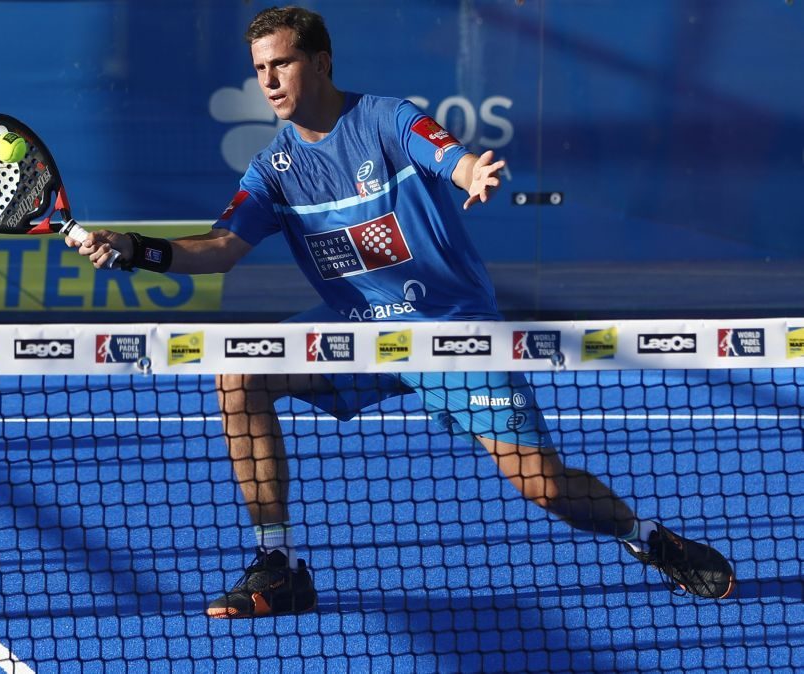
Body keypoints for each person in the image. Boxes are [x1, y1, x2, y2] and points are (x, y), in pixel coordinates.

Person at [68, 6, 735, 618]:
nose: (269, 80)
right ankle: (279, 564)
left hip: (448, 332)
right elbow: (217, 249)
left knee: (541, 485)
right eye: (260, 69)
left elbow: (444, 153)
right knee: (240, 373)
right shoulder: (271, 169)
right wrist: (134, 249)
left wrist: (471, 172)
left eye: (283, 63)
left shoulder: (387, 120)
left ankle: (645, 537)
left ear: (321, 62)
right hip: (354, 334)